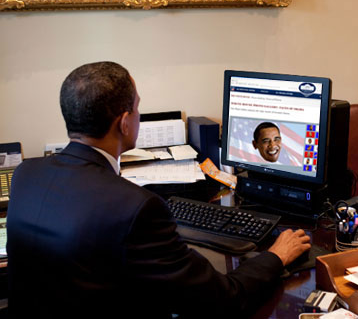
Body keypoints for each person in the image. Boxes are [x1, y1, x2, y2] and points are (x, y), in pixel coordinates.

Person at [6, 62, 311, 318]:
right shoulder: (136, 207)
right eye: (137, 108)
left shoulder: (26, 174)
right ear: (124, 123)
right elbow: (223, 298)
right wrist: (277, 255)